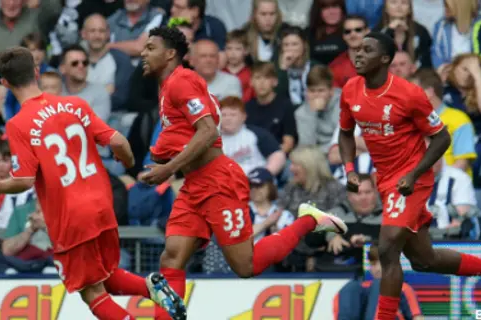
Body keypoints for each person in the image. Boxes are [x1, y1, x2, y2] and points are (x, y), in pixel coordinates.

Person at [138, 25, 347, 320]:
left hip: (218, 180)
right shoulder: (170, 85)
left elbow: (209, 131)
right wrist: (165, 153)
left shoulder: (180, 82)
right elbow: (187, 132)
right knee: (171, 256)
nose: (143, 53)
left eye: (150, 48)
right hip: (195, 183)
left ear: (170, 53)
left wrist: (169, 168)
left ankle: (309, 220)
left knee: (245, 266)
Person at [0, 47, 186, 320]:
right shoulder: (74, 104)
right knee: (106, 275)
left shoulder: (19, 123)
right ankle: (150, 286)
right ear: (36, 72)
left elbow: (24, 180)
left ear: (4, 83)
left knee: (92, 294)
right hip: (103, 205)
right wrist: (126, 162)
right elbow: (117, 141)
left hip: (71, 216)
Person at [337, 31, 481, 319]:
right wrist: (349, 169)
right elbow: (346, 133)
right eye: (357, 49)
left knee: (387, 247)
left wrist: (414, 174)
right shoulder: (351, 89)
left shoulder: (409, 94)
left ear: (385, 59)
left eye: (367, 50)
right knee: (425, 259)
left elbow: (441, 138)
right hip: (385, 178)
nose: (358, 54)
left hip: (412, 179)